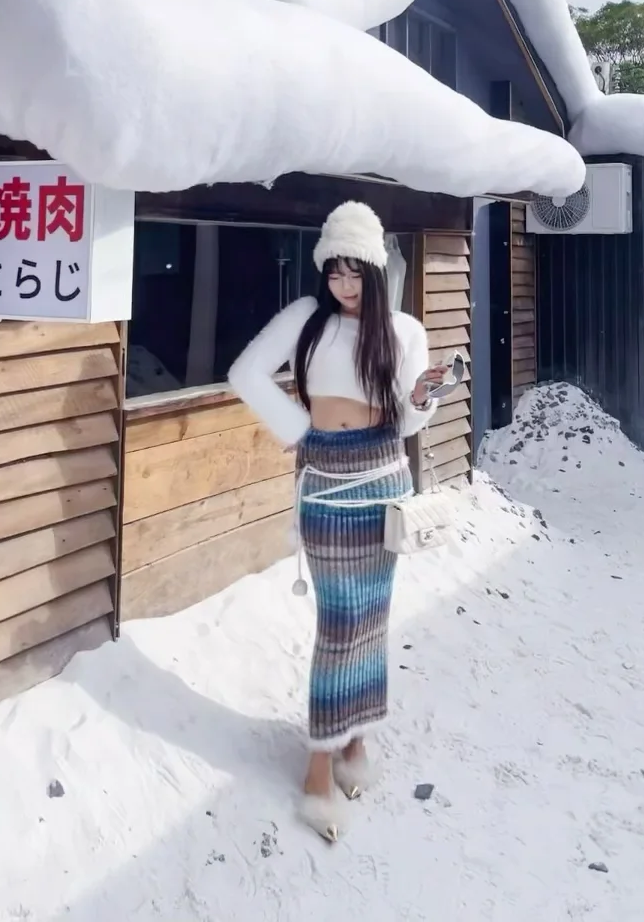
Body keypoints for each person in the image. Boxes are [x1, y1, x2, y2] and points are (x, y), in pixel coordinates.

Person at [228, 200, 448, 842]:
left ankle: (356, 742)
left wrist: (424, 396)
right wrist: (300, 431)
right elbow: (244, 373)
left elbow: (408, 422)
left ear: (376, 273)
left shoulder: (404, 332)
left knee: (372, 621)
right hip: (327, 490)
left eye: (356, 274)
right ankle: (320, 762)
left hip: (383, 484)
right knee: (339, 624)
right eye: (334, 273)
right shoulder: (305, 321)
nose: (344, 287)